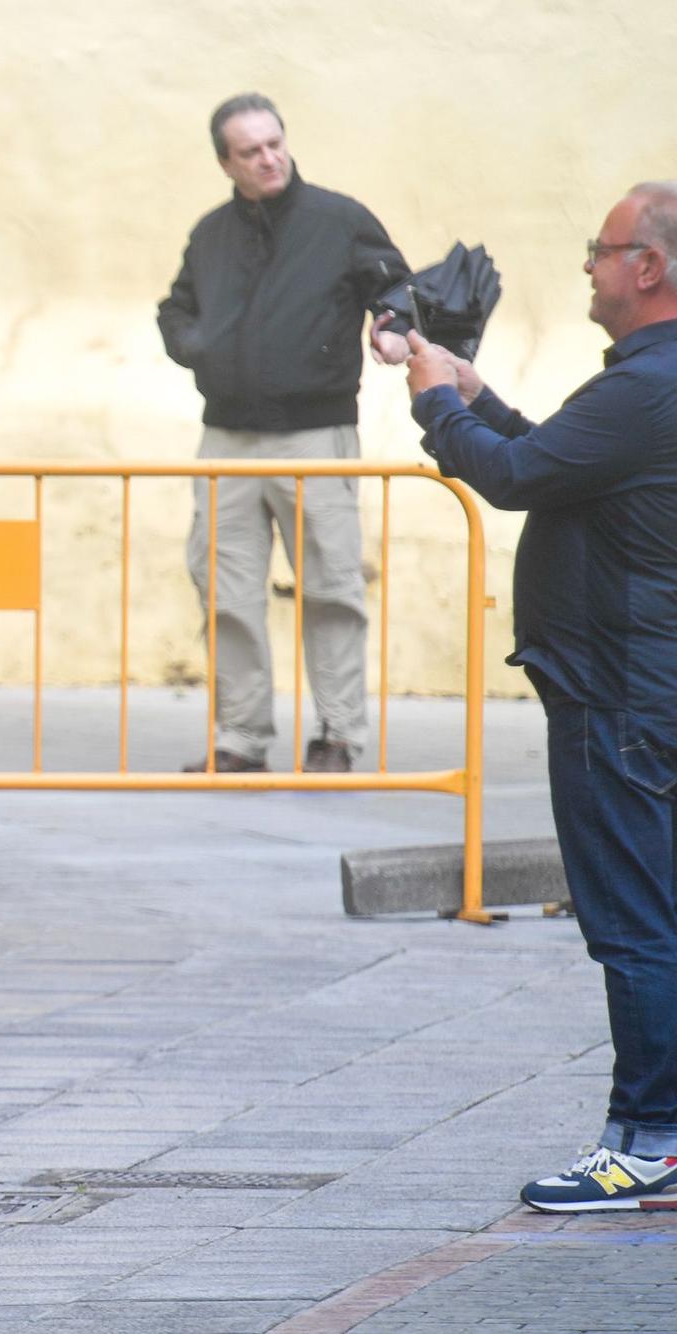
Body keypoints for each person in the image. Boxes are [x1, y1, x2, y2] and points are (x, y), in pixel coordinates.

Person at [406, 182, 677, 1213]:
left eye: (599, 251)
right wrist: (469, 392)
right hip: (639, 685)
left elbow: (515, 478)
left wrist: (434, 401)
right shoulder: (642, 387)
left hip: (616, 694)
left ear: (645, 267)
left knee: (632, 923)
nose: (586, 267)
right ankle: (650, 1131)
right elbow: (555, 464)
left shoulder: (641, 387)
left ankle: (646, 1139)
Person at [157, 92, 410, 773]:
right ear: (225, 162)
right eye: (250, 151)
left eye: (275, 143)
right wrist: (198, 344)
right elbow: (175, 309)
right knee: (225, 588)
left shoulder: (340, 219)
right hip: (226, 439)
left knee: (331, 586)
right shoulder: (210, 234)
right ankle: (239, 740)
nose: (268, 158)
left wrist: (391, 328)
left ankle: (338, 733)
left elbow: (394, 286)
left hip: (315, 434)